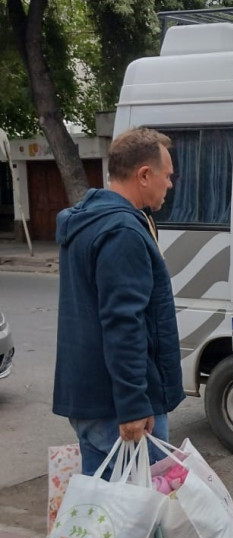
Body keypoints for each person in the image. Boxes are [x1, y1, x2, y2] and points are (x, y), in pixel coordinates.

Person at [53, 127, 183, 477]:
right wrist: (132, 406)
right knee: (140, 522)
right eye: (166, 176)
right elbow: (123, 323)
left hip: (90, 399)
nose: (169, 184)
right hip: (119, 408)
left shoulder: (89, 221)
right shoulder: (122, 231)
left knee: (107, 520)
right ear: (144, 175)